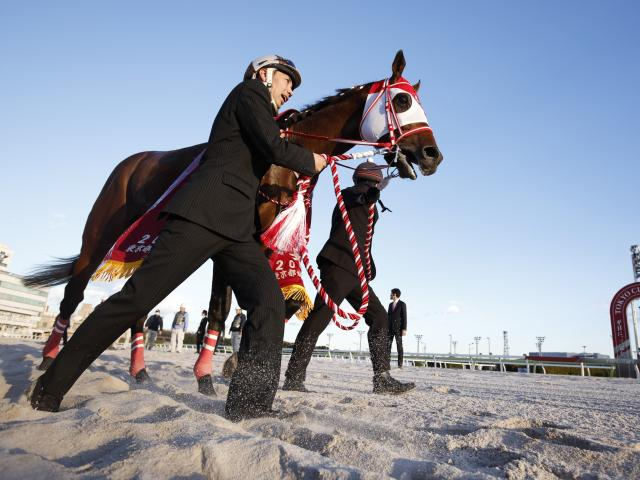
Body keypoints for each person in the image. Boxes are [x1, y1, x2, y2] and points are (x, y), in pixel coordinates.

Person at [30, 54, 328, 421]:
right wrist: (311, 161)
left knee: (268, 303)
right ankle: (51, 386)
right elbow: (271, 147)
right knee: (135, 300)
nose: (291, 90)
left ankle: (250, 405)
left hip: (237, 231)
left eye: (294, 86)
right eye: (287, 81)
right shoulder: (248, 93)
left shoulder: (262, 111)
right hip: (201, 216)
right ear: (266, 75)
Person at [283, 163, 415, 394]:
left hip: (355, 271)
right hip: (340, 266)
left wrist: (368, 264)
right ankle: (294, 377)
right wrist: (376, 191)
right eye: (376, 182)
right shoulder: (351, 194)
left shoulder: (366, 199)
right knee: (320, 317)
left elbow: (363, 235)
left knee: (380, 317)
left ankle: (382, 379)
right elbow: (363, 197)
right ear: (370, 181)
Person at [388, 288, 407, 367]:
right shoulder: (390, 304)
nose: (390, 295)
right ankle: (387, 363)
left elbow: (404, 317)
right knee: (388, 346)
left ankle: (400, 364)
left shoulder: (402, 304)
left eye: (391, 293)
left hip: (399, 329)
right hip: (390, 328)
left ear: (395, 294)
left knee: (399, 346)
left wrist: (404, 329)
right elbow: (388, 316)